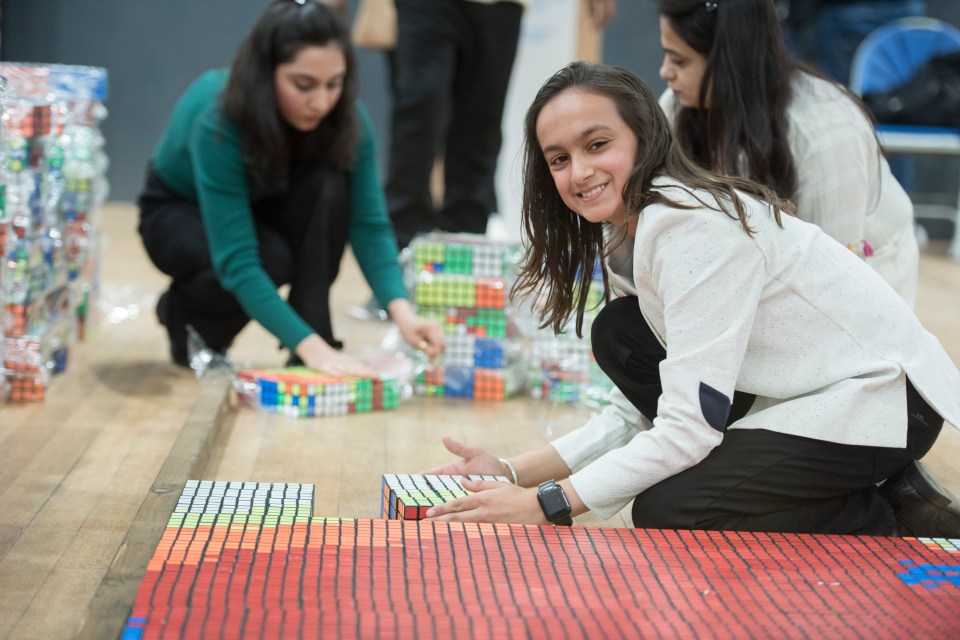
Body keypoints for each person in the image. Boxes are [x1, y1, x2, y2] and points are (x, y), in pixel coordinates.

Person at [421, 61, 960, 538]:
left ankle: (888, 514)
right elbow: (635, 414)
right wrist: (513, 473)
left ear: (645, 137)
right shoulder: (633, 233)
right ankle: (844, 483)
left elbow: (686, 429)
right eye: (559, 159)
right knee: (621, 331)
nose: (579, 172)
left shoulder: (693, 233)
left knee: (673, 507)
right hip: (801, 388)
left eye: (597, 145)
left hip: (884, 401)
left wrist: (548, 505)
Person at [137, 0, 443, 374]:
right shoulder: (219, 118)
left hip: (264, 198)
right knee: (269, 259)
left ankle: (313, 331)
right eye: (303, 85)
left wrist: (402, 312)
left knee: (329, 187)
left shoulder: (347, 118)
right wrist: (316, 352)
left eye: (334, 84)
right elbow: (239, 261)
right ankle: (182, 314)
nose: (320, 102)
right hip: (179, 210)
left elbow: (369, 224)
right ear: (266, 73)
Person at [657, 0, 919, 306]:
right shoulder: (680, 105)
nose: (664, 71)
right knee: (620, 325)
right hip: (754, 279)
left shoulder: (826, 130)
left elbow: (836, 281)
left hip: (855, 296)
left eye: (679, 60)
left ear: (729, 62)